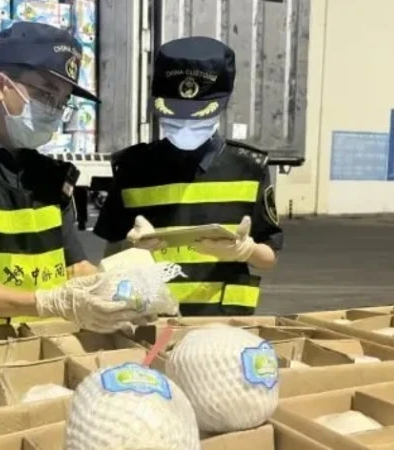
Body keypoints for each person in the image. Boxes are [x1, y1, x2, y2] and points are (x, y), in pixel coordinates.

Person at [0, 22, 154, 332]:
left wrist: (122, 294)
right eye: (45, 94)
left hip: (43, 346)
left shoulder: (52, 178)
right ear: (0, 86)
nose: (54, 111)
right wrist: (47, 302)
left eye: (62, 101)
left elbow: (76, 266)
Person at [93, 36, 283, 316]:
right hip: (148, 320)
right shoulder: (133, 167)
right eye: (174, 117)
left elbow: (269, 256)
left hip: (224, 324)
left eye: (197, 117)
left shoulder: (249, 167)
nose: (185, 126)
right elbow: (109, 256)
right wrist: (128, 247)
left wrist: (246, 251)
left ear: (222, 105)